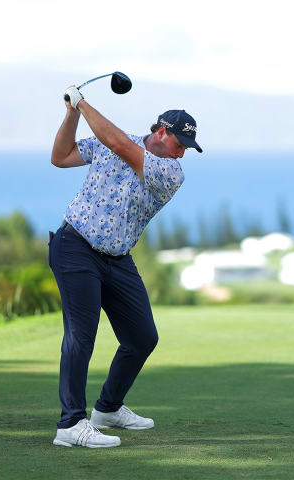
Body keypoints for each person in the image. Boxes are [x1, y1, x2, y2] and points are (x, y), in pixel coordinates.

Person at [48, 85, 202, 448]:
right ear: (161, 132)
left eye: (187, 148)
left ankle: (107, 408)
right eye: (179, 142)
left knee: (142, 338)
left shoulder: (171, 173)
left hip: (117, 259)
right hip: (75, 248)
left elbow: (118, 145)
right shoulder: (112, 140)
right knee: (81, 336)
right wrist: (71, 113)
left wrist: (82, 101)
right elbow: (61, 155)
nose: (182, 152)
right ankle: (70, 424)